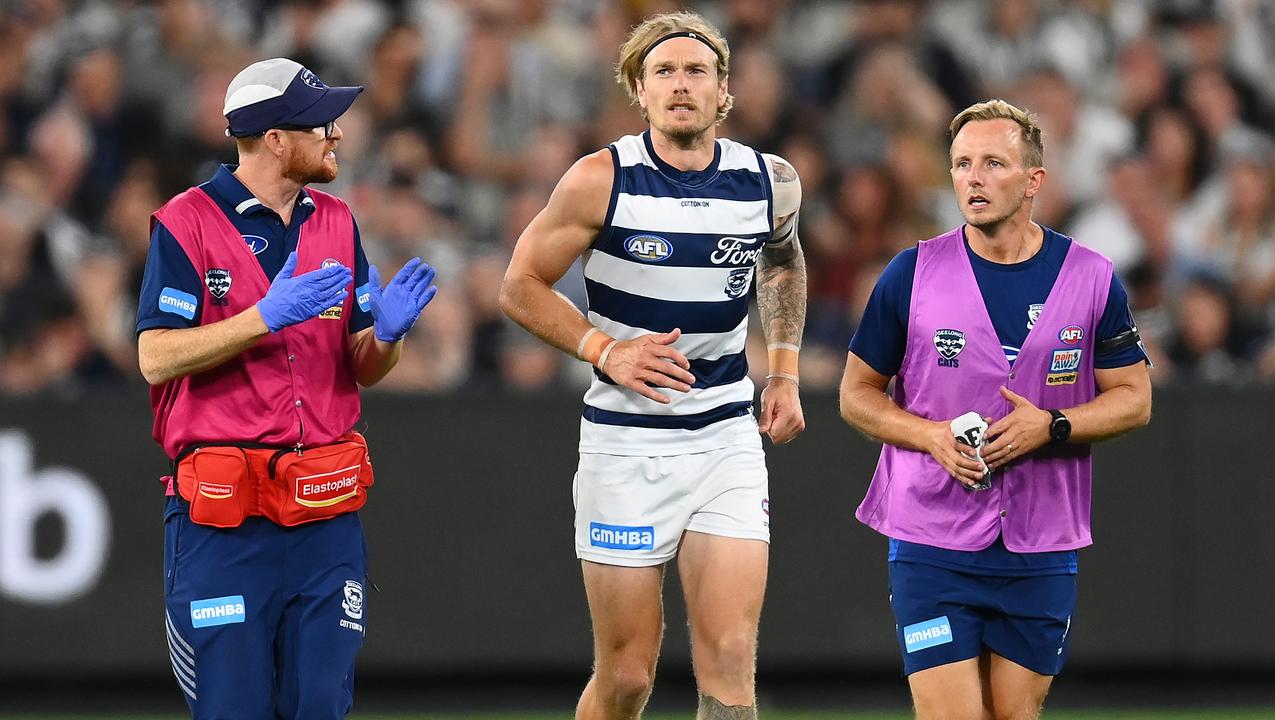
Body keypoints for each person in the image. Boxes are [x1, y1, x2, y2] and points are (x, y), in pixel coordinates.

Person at [499, 11, 806, 720]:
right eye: (662, 72)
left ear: (723, 90)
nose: (680, 84)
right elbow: (518, 285)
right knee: (628, 675)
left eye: (696, 70)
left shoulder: (770, 181)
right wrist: (605, 350)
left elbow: (784, 263)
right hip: (626, 441)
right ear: (639, 90)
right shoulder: (598, 180)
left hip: (726, 436)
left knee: (729, 656)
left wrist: (783, 371)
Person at [136, 58, 436, 720]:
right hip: (226, 523)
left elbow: (361, 364)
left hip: (324, 518)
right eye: (321, 123)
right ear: (275, 138)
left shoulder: (336, 220)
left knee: (320, 707)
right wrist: (262, 318)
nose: (337, 135)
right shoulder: (188, 223)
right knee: (234, 709)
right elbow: (155, 358)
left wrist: (387, 336)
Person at [839, 99, 1152, 720]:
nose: (973, 178)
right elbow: (856, 394)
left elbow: (1135, 399)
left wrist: (1054, 425)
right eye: (960, 164)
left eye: (992, 163)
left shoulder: (1092, 279)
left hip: (1040, 545)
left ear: (1034, 180)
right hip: (932, 539)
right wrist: (929, 437)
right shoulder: (911, 274)